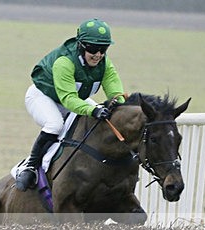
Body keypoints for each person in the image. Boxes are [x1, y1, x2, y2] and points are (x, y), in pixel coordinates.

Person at [15, 18, 126, 191]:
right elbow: (68, 99)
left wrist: (119, 105)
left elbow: (116, 94)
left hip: (73, 100)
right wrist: (93, 110)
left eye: (103, 49)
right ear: (81, 45)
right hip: (42, 97)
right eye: (93, 48)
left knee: (97, 120)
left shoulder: (105, 64)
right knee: (55, 125)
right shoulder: (64, 62)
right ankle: (30, 166)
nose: (98, 54)